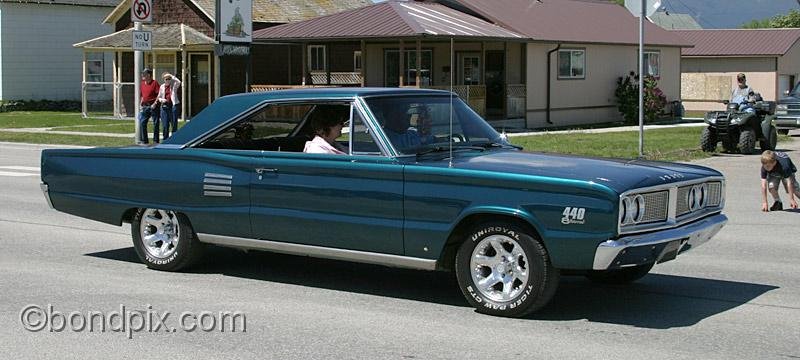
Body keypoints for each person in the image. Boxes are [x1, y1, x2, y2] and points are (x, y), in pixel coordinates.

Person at [157, 72, 182, 141]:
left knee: (174, 124)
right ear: (164, 79)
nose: (168, 80)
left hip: (173, 107)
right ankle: (165, 140)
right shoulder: (162, 87)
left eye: (169, 79)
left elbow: (179, 82)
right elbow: (159, 97)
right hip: (164, 107)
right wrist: (162, 100)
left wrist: (171, 75)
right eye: (166, 79)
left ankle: (174, 140)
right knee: (165, 125)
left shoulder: (174, 86)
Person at [138, 68, 160, 144]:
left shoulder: (155, 83)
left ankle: (155, 141)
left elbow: (159, 95)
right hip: (145, 106)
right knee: (142, 123)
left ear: (149, 75)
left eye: (144, 74)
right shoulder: (142, 84)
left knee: (156, 123)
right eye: (142, 74)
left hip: (153, 106)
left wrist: (155, 103)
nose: (142, 75)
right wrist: (140, 104)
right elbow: (142, 96)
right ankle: (144, 140)